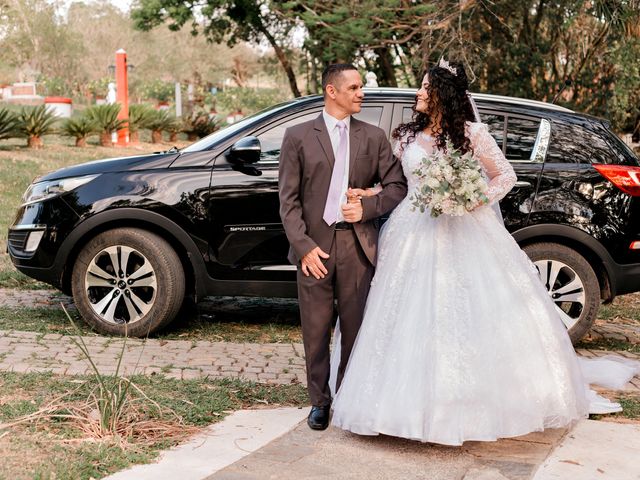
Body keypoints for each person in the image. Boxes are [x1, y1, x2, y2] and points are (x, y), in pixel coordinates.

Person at [331, 60, 639, 445]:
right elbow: (396, 186)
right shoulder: (406, 137)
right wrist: (369, 193)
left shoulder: (473, 134)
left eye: (426, 87)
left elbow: (505, 175)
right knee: (402, 313)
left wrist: (473, 199)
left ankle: (465, 404)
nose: (419, 93)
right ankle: (395, 407)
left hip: (463, 228)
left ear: (443, 93)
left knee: (468, 311)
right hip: (411, 230)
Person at [278, 64, 407, 430]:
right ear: (331, 91)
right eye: (353, 87)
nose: (361, 93)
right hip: (314, 249)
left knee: (356, 328)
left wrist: (366, 207)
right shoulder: (298, 136)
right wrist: (303, 246)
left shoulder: (373, 137)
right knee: (315, 329)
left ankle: (348, 395)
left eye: (361, 87)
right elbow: (288, 201)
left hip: (357, 247)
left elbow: (397, 186)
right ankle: (319, 402)